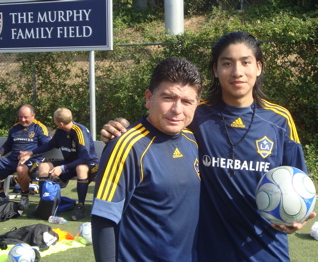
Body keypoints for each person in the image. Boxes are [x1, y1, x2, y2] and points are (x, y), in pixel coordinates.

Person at [100, 31, 316, 261]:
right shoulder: (195, 113)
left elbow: (297, 185)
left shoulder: (280, 120)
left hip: (265, 252)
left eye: (246, 62)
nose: (237, 72)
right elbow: (155, 127)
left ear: (259, 67)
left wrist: (295, 219)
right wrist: (120, 128)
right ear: (215, 70)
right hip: (207, 251)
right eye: (227, 63)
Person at [91, 57, 203, 262]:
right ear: (149, 98)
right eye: (168, 97)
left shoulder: (193, 141)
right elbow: (103, 219)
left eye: (187, 101)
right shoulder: (126, 146)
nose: (177, 110)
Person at [19, 108, 99, 221]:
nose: (54, 122)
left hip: (88, 163)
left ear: (60, 123)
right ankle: (44, 205)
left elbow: (85, 157)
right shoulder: (60, 131)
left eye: (54, 120)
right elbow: (50, 145)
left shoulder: (80, 131)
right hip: (69, 162)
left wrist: (62, 168)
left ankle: (80, 206)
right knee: (43, 166)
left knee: (81, 169)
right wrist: (31, 153)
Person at [0, 104, 50, 210]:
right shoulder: (15, 127)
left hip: (32, 160)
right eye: (20, 117)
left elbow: (47, 145)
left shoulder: (39, 128)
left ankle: (24, 197)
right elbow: (8, 144)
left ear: (33, 115)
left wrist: (30, 153)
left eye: (26, 117)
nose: (23, 120)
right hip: (12, 159)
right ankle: (1, 196)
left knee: (21, 169)